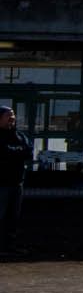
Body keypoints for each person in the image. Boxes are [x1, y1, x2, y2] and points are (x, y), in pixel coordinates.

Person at [0, 105, 30, 255]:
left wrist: (13, 152)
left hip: (16, 183)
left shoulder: (20, 136)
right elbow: (4, 153)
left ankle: (9, 246)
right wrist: (17, 152)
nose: (12, 118)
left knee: (13, 217)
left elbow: (28, 152)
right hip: (1, 184)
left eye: (13, 115)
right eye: (8, 115)